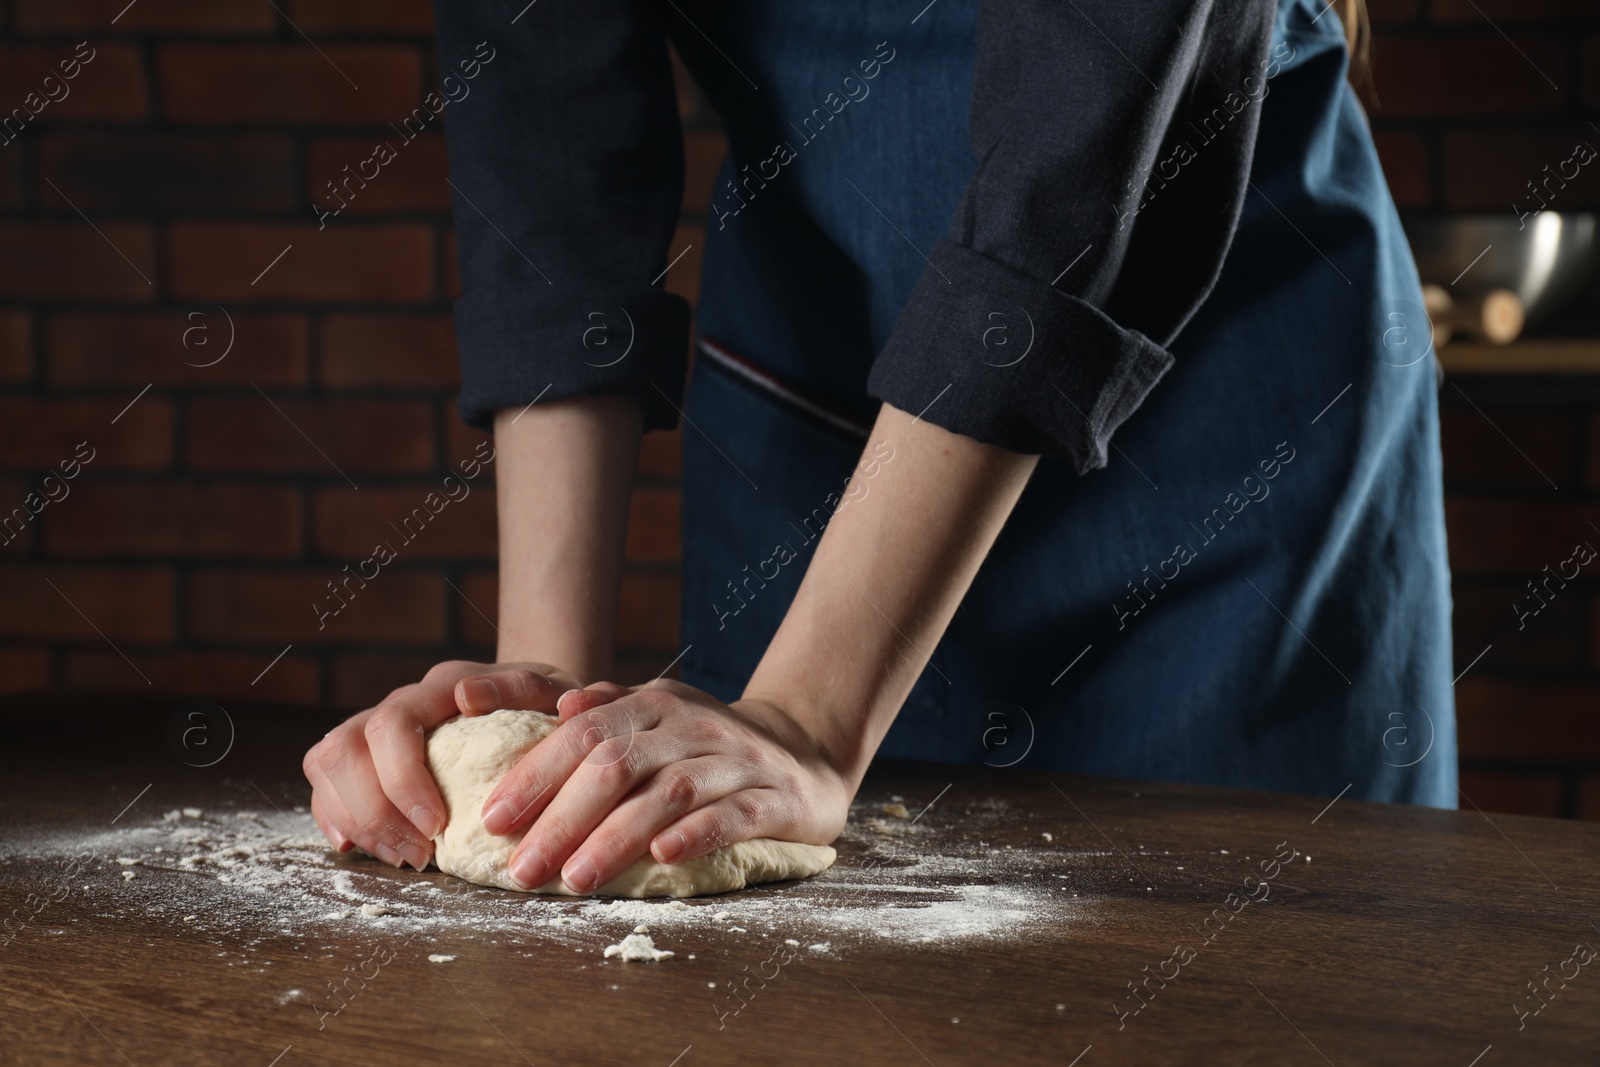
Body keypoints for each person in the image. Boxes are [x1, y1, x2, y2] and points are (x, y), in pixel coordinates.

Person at [304, 0, 1455, 894]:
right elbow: (545, 99)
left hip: (1222, 432)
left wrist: (806, 716)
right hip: (818, 398)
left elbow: (1093, 101)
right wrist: (541, 702)